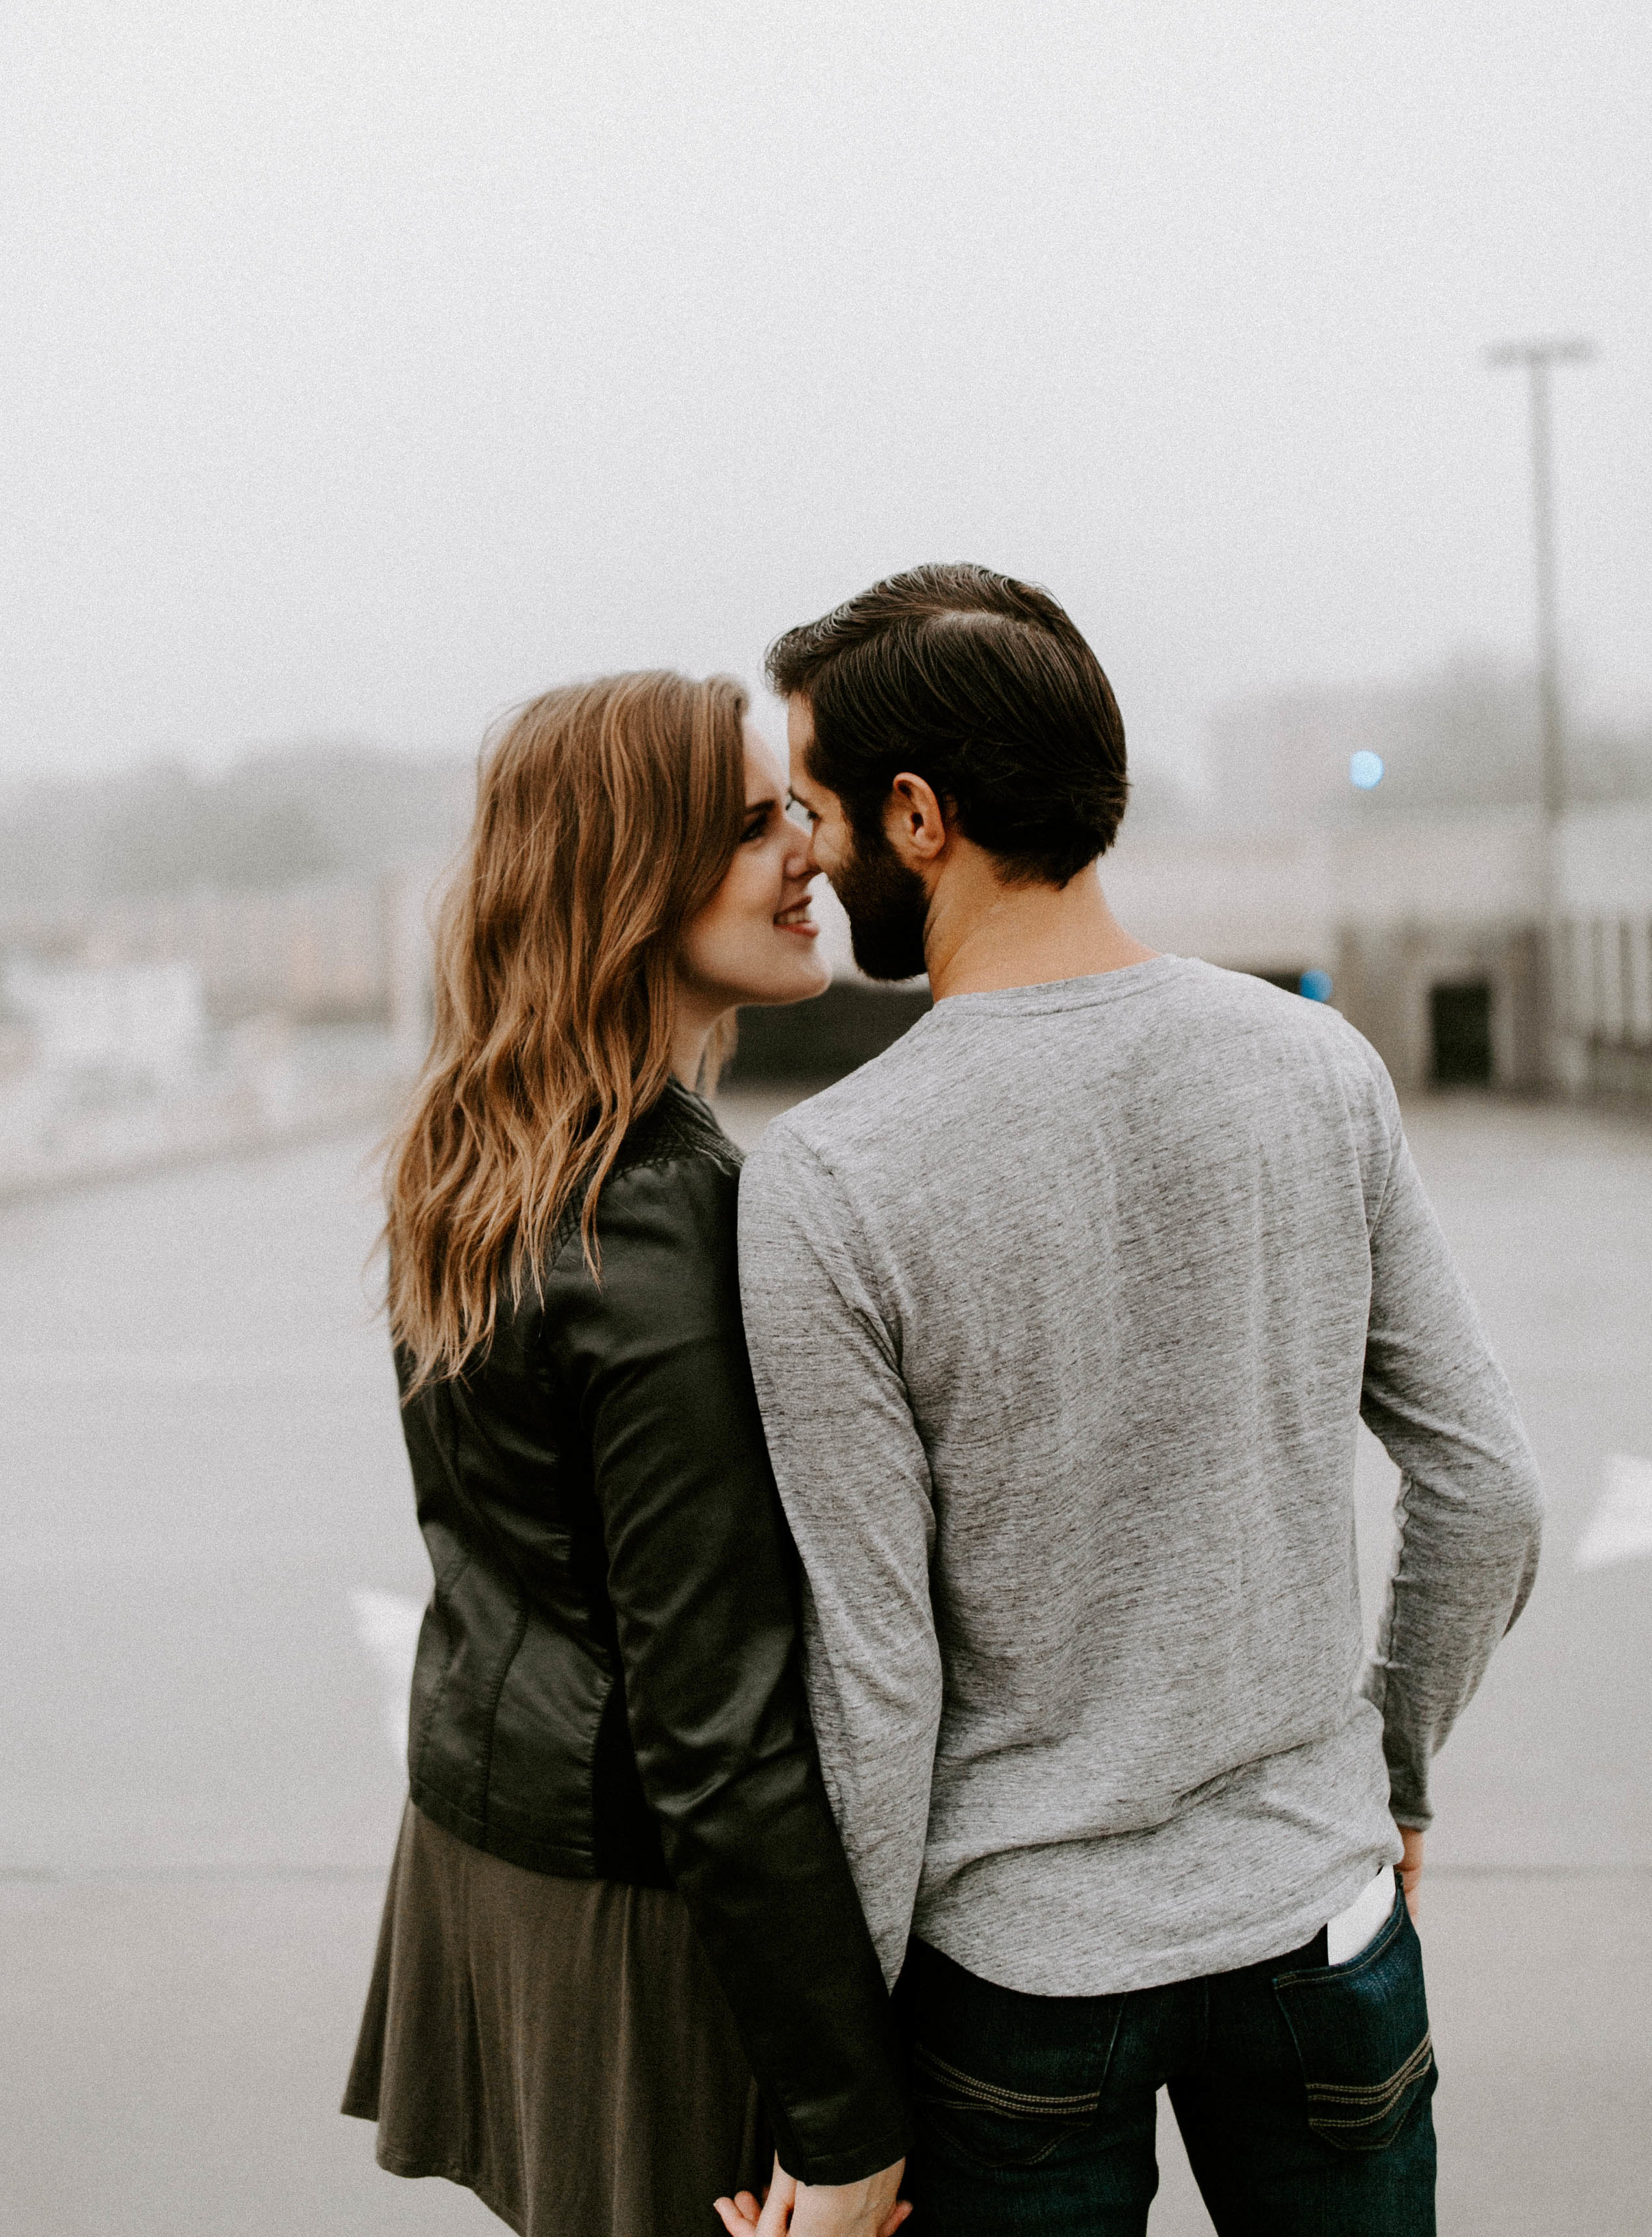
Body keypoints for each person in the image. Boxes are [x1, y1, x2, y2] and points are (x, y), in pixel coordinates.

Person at [734, 564, 1545, 2237]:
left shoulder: (829, 1177)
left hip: (1014, 1986)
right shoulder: (1311, 1069)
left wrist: (840, 2100)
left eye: (814, 805)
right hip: (1317, 1923)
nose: (805, 850)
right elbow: (1485, 1492)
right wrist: (1382, 1782)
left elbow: (876, 1687)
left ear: (918, 816)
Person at [343, 670, 911, 2237]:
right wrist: (846, 2121)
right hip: (639, 1907)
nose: (805, 849)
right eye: (748, 824)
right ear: (627, 875)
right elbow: (710, 1717)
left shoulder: (481, 1153)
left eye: (794, 809)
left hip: (493, 1837)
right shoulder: (657, 1222)